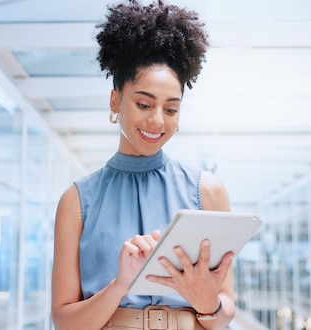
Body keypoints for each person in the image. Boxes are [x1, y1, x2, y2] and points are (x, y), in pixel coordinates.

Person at [50, 1, 236, 329]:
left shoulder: (207, 191)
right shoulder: (77, 201)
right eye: (143, 103)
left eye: (171, 109)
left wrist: (205, 299)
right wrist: (120, 285)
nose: (156, 121)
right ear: (114, 101)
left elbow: (226, 311)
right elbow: (64, 321)